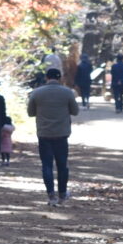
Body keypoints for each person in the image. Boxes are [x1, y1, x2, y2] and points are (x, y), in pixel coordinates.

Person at [27, 66, 80, 204]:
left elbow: (30, 113)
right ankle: (62, 194)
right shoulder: (67, 92)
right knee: (62, 165)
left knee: (47, 165)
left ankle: (51, 195)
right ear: (60, 78)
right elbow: (75, 111)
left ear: (46, 77)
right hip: (61, 134)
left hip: (44, 133)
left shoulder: (37, 93)